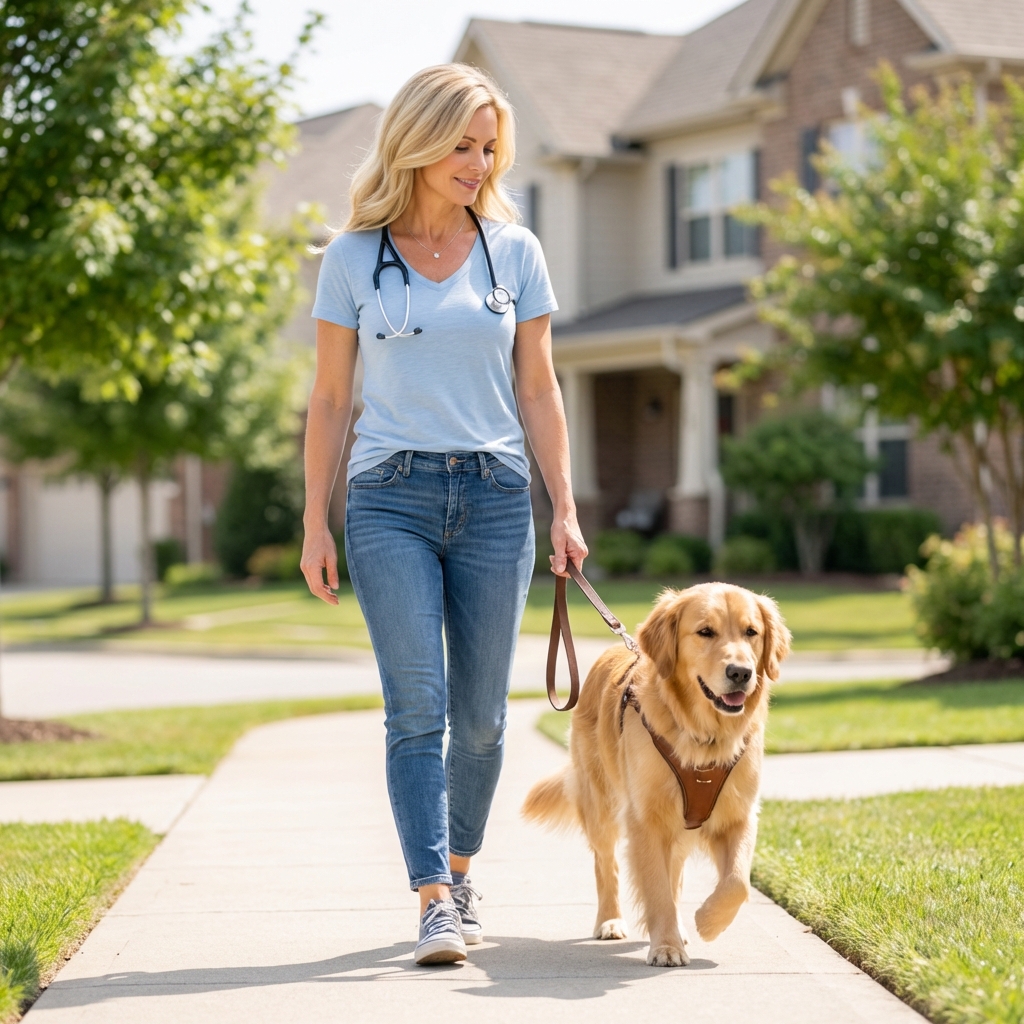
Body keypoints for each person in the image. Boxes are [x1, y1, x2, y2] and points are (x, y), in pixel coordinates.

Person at [300, 63, 587, 966]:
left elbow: (539, 389)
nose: (478, 161)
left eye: (488, 146)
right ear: (418, 142)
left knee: (484, 718)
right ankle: (431, 898)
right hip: (390, 495)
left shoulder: (515, 251)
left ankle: (461, 872)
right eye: (461, 144)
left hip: (498, 496)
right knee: (415, 705)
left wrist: (565, 508)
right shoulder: (353, 260)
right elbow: (330, 399)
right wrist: (316, 518)